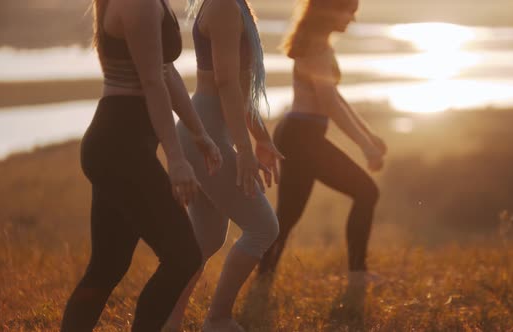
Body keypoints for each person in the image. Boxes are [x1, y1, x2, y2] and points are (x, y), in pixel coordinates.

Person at [60, 0, 223, 330]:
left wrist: (199, 133)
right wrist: (176, 159)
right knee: (183, 257)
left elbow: (166, 71)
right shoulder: (139, 3)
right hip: (118, 145)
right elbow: (152, 82)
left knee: (108, 265)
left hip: (121, 146)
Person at [163, 0, 283, 331]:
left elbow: (239, 90)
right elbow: (227, 83)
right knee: (263, 228)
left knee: (207, 237)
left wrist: (261, 138)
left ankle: (168, 321)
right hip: (205, 137)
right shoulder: (225, 6)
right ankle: (218, 319)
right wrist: (244, 150)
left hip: (206, 133)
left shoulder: (232, 5)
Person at [257, 0, 388, 287]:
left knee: (288, 216)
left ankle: (263, 278)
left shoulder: (320, 44)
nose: (352, 20)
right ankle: (357, 275)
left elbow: (335, 98)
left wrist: (369, 134)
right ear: (329, 9)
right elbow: (329, 104)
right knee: (367, 192)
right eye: (349, 12)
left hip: (301, 134)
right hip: (302, 137)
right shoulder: (317, 48)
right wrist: (365, 147)